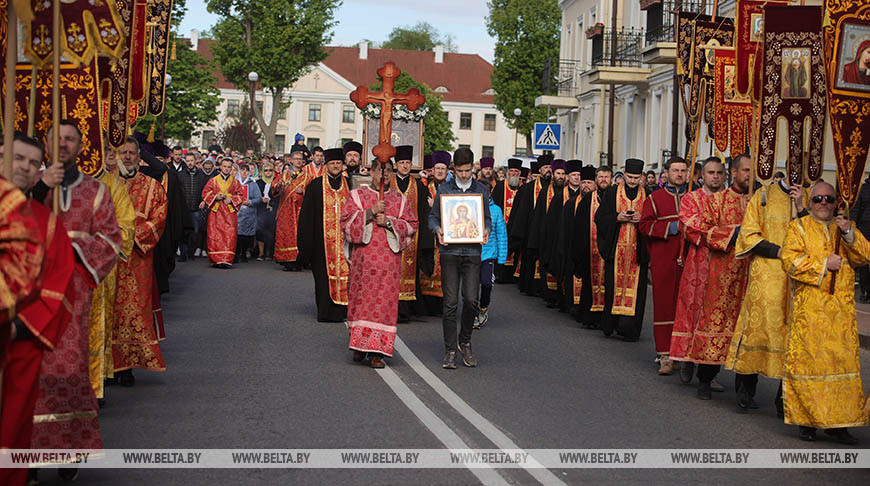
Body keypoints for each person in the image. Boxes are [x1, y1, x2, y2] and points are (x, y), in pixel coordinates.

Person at [29, 121, 122, 470]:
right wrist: (39, 192)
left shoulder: (95, 191)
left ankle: (70, 447)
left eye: (70, 139)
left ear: (81, 146)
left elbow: (112, 240)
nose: (64, 144)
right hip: (33, 294)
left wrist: (68, 247)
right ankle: (32, 452)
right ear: (47, 144)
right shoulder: (33, 187)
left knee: (69, 368)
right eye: (57, 139)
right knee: (33, 369)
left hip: (74, 292)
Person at [0, 133, 70, 486]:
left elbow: (57, 288)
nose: (24, 168)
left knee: (10, 435)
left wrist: (16, 328)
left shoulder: (48, 224)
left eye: (32, 162)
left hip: (17, 345)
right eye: (17, 159)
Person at [781, 181, 870, 443]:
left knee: (839, 366)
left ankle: (838, 423)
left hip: (841, 314)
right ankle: (807, 421)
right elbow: (790, 260)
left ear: (835, 203)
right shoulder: (798, 227)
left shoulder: (844, 227)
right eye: (818, 198)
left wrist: (848, 235)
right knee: (812, 364)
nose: (823, 203)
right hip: (810, 310)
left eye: (828, 199)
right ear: (810, 202)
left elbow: (863, 256)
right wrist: (823, 264)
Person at [725, 173, 807, 415]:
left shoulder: (815, 197)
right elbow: (748, 235)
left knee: (795, 336)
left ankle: (785, 398)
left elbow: (817, 236)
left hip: (801, 277)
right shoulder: (762, 196)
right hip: (768, 274)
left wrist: (802, 207)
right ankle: (745, 390)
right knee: (758, 331)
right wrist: (778, 251)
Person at [680, 154, 752, 400]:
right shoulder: (718, 201)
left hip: (751, 273)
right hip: (721, 272)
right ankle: (705, 378)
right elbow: (705, 230)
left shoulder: (758, 202)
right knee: (714, 324)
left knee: (746, 330)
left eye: (753, 171)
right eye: (745, 170)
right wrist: (736, 234)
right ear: (735, 172)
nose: (749, 175)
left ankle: (746, 390)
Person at [342, 159, 418, 368]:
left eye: (388, 171)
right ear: (372, 172)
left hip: (388, 264)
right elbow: (345, 221)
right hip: (364, 262)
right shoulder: (358, 195)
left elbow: (412, 225)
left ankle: (377, 351)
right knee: (361, 302)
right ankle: (358, 346)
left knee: (384, 305)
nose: (383, 175)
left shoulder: (400, 200)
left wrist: (390, 222)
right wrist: (370, 212)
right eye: (379, 171)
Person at [428, 147, 492, 369]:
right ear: (453, 169)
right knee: (450, 303)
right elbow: (434, 217)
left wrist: (485, 230)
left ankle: (465, 341)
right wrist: (437, 229)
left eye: (467, 171)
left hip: (473, 252)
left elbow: (486, 219)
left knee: (472, 300)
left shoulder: (481, 191)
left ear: (473, 168)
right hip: (450, 253)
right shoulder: (445, 189)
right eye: (460, 171)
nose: (464, 175)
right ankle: (450, 350)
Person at [113, 136, 168, 386]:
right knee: (108, 312)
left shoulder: (152, 186)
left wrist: (128, 236)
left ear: (139, 156)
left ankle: (128, 366)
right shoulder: (107, 183)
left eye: (132, 153)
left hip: (137, 260)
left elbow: (159, 217)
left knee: (133, 312)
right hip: (108, 259)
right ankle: (107, 367)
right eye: (123, 152)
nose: (127, 157)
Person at [670, 157, 726, 384]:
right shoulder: (691, 198)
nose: (715, 177)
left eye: (719, 173)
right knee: (692, 313)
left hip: (723, 268)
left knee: (716, 318)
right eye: (711, 172)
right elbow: (691, 226)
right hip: (697, 265)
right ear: (702, 175)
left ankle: (709, 372)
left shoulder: (730, 200)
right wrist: (722, 234)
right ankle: (686, 359)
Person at [89, 141, 136, 404]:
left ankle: (96, 382)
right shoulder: (57, 182)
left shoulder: (113, 185)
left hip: (99, 268)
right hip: (61, 269)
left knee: (97, 324)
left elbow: (125, 225)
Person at [639, 156, 689, 374]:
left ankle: (682, 353)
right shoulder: (655, 198)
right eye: (676, 170)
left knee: (686, 307)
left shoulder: (694, 198)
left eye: (683, 170)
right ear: (666, 173)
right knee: (664, 304)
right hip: (664, 259)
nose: (680, 174)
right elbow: (644, 225)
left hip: (689, 260)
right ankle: (665, 354)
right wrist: (670, 228)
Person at [595, 159, 648, 342]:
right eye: (630, 177)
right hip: (616, 249)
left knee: (636, 292)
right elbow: (600, 217)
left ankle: (630, 329)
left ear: (641, 177)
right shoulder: (611, 192)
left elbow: (653, 220)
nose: (633, 181)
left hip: (637, 253)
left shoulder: (648, 194)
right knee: (612, 287)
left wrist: (642, 219)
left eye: (636, 178)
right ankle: (612, 324)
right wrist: (617, 217)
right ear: (624, 174)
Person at [298, 148, 350, 322]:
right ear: (326, 165)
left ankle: (343, 310)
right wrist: (306, 245)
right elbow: (306, 218)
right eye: (332, 163)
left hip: (346, 243)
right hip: (322, 244)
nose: (335, 166)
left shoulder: (351, 186)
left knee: (347, 277)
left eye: (338, 163)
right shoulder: (315, 186)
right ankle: (325, 312)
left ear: (343, 165)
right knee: (322, 279)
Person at [390, 145, 433, 322]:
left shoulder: (419, 187)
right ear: (396, 164)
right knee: (391, 273)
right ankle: (391, 309)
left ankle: (406, 310)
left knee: (409, 272)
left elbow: (424, 214)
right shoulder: (388, 183)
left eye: (408, 163)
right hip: (391, 235)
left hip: (412, 238)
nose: (405, 166)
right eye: (402, 163)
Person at [570, 166, 612, 329]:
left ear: (611, 179)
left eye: (606, 177)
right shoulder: (587, 200)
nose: (603, 180)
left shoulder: (615, 196)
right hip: (590, 250)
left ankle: (605, 319)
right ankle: (589, 317)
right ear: (596, 179)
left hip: (608, 249)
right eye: (600, 176)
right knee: (589, 283)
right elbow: (579, 228)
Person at [418, 151, 451, 316]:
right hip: (429, 235)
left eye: (442, 169)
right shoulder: (425, 188)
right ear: (432, 170)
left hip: (446, 236)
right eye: (437, 168)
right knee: (427, 269)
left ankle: (442, 307)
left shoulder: (452, 189)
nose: (439, 171)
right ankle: (426, 306)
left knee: (445, 272)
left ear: (447, 171)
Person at [202, 158, 245, 268]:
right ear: (220, 167)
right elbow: (205, 193)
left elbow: (241, 196)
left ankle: (226, 259)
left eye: (229, 167)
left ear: (231, 168)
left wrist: (231, 199)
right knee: (214, 235)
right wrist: (216, 196)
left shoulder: (235, 182)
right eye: (224, 166)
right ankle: (216, 259)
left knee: (229, 235)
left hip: (229, 212)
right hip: (216, 211)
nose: (226, 169)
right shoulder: (213, 180)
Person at [272, 150, 310, 270]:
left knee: (300, 235)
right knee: (285, 235)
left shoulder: (308, 177)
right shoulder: (284, 175)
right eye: (296, 159)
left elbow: (312, 194)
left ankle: (300, 261)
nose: (298, 161)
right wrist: (278, 186)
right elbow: (274, 188)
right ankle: (287, 260)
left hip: (300, 210)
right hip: (285, 210)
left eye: (300, 159)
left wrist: (303, 191)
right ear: (291, 160)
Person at [476, 194, 507, 329]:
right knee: (471, 288)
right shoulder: (472, 207)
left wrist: (501, 258)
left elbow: (501, 234)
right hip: (472, 254)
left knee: (487, 283)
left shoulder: (496, 210)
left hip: (489, 254)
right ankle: (472, 312)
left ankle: (483, 307)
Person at [491, 158, 524, 283]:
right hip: (501, 226)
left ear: (519, 174)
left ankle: (513, 275)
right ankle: (500, 274)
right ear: (507, 172)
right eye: (511, 171)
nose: (513, 174)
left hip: (516, 226)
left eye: (516, 171)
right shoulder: (500, 187)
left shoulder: (523, 188)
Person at [177, 152, 207, 261]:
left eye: (191, 160)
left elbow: (205, 191)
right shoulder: (180, 175)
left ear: (195, 161)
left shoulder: (201, 175)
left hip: (196, 208)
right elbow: (178, 192)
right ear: (185, 161)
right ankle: (183, 254)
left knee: (194, 233)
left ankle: (190, 252)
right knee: (182, 232)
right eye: (188, 161)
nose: (190, 163)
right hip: (184, 208)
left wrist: (203, 200)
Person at [235, 163, 262, 263]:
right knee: (237, 235)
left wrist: (250, 202)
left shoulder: (253, 184)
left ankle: (244, 253)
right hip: (237, 213)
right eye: (242, 170)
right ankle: (236, 253)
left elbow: (259, 199)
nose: (244, 172)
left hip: (249, 213)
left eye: (246, 170)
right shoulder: (235, 183)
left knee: (246, 235)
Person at [850, 173, 870, 302]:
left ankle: (866, 290)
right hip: (865, 230)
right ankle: (866, 290)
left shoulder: (862, 189)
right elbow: (855, 210)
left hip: (864, 228)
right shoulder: (862, 190)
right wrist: (853, 228)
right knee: (864, 261)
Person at [255, 162, 277, 260]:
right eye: (266, 170)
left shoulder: (276, 182)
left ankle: (269, 253)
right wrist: (261, 199)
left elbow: (279, 195)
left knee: (271, 231)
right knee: (260, 230)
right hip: (261, 208)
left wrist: (271, 200)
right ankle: (261, 253)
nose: (268, 172)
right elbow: (255, 195)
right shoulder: (259, 182)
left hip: (272, 209)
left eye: (270, 170)